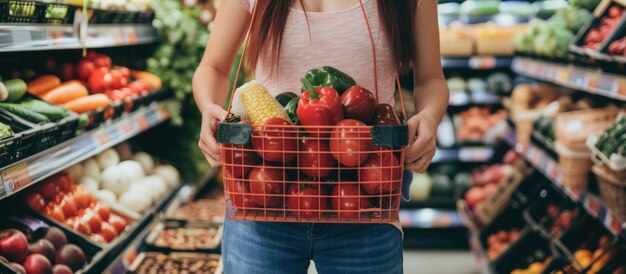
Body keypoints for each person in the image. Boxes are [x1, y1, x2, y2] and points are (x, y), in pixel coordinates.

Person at [192, 0, 449, 273]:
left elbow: (430, 78)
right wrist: (209, 106)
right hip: (265, 197)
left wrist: (430, 116)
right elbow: (215, 67)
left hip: (365, 201)